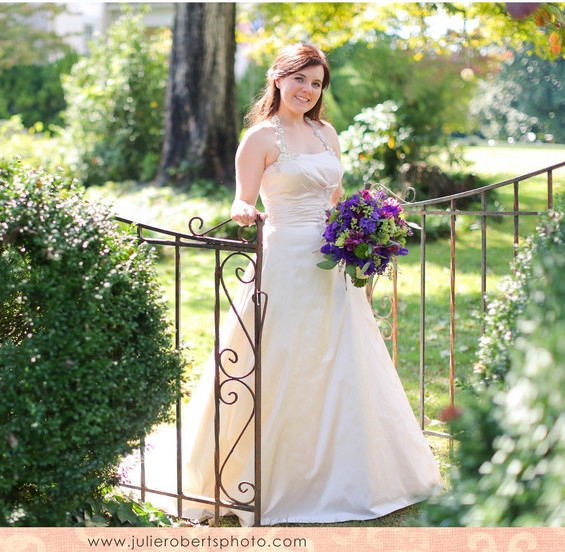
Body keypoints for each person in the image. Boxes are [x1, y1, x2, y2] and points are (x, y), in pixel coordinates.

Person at [122, 42, 443, 526]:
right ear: (278, 77)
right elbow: (241, 199)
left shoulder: (327, 132)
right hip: (284, 262)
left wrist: (367, 229)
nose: (309, 91)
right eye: (301, 80)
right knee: (279, 359)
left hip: (333, 263)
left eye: (317, 84)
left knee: (343, 361)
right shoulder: (260, 138)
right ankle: (265, 477)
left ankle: (350, 473)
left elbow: (336, 197)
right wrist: (243, 212)